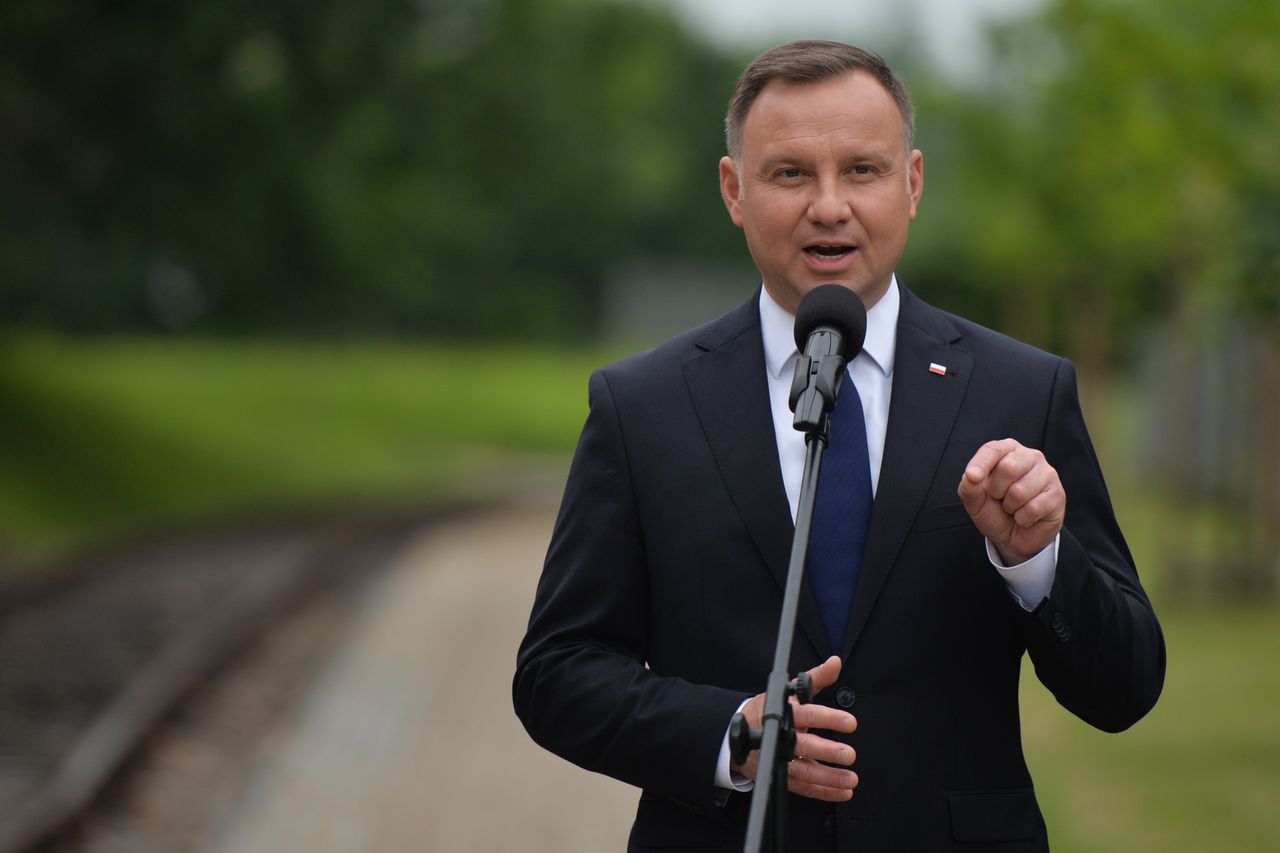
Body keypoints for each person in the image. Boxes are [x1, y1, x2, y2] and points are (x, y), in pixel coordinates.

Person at [513, 40, 1164, 852]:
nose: (829, 205)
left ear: (912, 183)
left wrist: (1039, 563)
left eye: (863, 171)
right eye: (790, 174)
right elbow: (556, 673)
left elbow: (1127, 687)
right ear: (734, 191)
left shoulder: (1020, 392)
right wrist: (733, 734)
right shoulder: (640, 406)